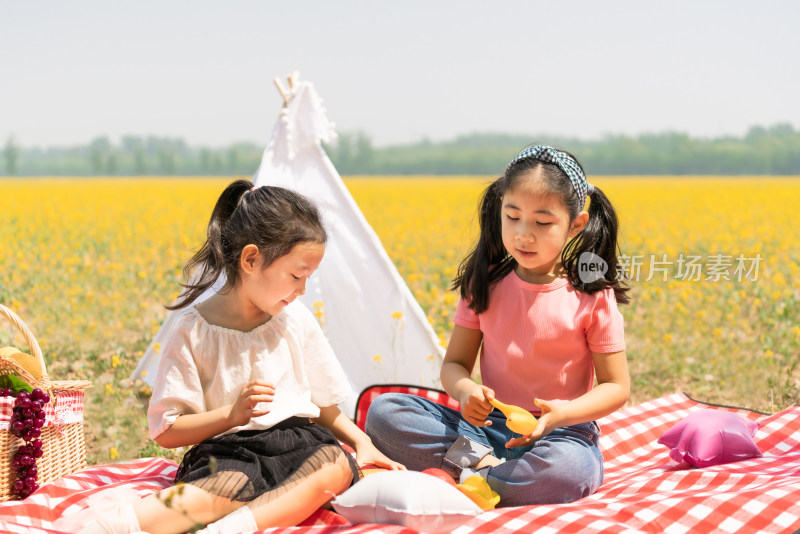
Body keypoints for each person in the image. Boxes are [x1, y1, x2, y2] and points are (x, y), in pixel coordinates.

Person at [70, 180, 404, 534]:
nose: (302, 290)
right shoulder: (193, 330)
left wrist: (362, 442)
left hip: (299, 445)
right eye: (296, 275)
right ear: (250, 259)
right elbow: (167, 431)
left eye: (309, 277)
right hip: (228, 453)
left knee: (335, 464)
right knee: (219, 488)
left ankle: (231, 529)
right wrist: (230, 415)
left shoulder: (295, 319)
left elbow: (321, 403)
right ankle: (115, 526)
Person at [365, 145, 630, 506]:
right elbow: (454, 365)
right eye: (513, 216)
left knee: (567, 471)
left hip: (562, 435)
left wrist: (562, 414)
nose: (523, 234)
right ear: (499, 210)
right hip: (487, 430)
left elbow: (616, 387)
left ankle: (475, 475)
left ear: (576, 225)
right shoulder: (484, 283)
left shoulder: (592, 294)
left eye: (542, 222)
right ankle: (493, 473)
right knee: (385, 413)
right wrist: (464, 392)